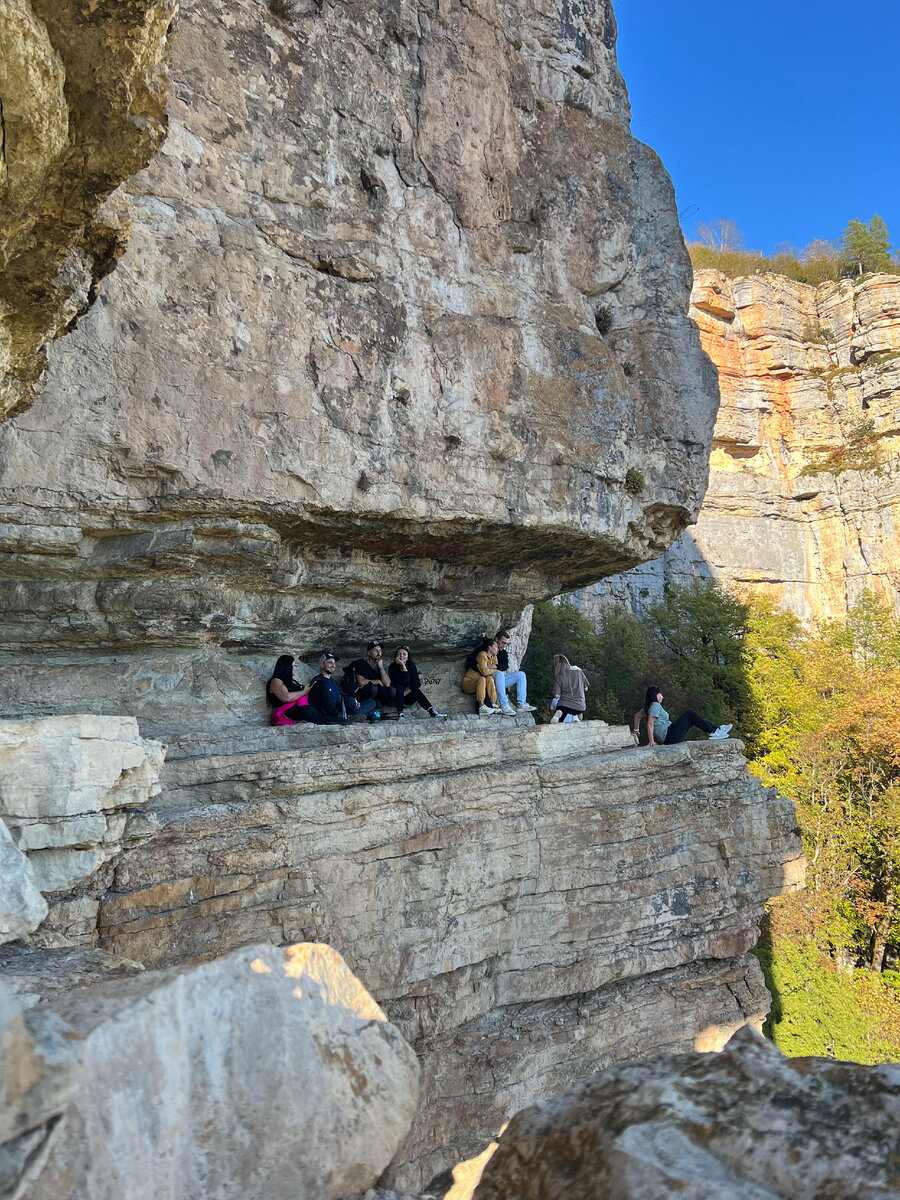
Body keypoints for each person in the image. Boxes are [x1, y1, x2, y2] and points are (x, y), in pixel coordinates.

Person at [632, 686, 733, 747]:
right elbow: (650, 723)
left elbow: (637, 716)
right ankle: (715, 731)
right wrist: (651, 742)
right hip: (669, 735)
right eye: (660, 694)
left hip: (669, 735)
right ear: (654, 694)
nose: (662, 697)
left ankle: (716, 730)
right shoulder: (655, 705)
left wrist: (636, 730)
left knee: (692, 717)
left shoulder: (648, 707)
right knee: (689, 713)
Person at [309, 651, 374, 723]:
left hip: (341, 705)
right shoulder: (318, 681)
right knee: (350, 702)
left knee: (371, 702)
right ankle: (357, 715)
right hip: (330, 709)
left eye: (334, 663)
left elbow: (342, 695)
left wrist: (355, 702)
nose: (333, 665)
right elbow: (317, 702)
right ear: (322, 665)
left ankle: (352, 715)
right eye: (330, 662)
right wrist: (351, 702)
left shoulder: (334, 681)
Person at [388, 646, 446, 719]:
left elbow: (417, 683)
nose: (401, 656)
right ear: (396, 656)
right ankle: (400, 714)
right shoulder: (392, 667)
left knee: (416, 690)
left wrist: (405, 693)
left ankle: (432, 711)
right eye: (399, 654)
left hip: (406, 697)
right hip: (395, 697)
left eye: (404, 654)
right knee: (399, 686)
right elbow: (402, 681)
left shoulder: (411, 665)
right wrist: (402, 665)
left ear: (408, 657)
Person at [266, 654, 325, 726]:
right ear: (287, 666)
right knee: (309, 711)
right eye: (294, 665)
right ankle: (329, 718)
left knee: (320, 684)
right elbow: (287, 698)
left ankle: (332, 714)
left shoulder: (291, 681)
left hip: (302, 706)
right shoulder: (276, 680)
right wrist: (304, 692)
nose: (295, 668)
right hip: (289, 711)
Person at [350, 641, 402, 719]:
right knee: (373, 687)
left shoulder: (382, 667)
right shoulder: (362, 664)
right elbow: (361, 683)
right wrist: (376, 681)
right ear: (369, 653)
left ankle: (377, 707)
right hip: (363, 694)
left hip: (378, 696)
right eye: (375, 650)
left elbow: (387, 684)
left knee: (392, 690)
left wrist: (380, 667)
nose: (379, 653)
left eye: (380, 651)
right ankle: (370, 708)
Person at [494, 630, 537, 715]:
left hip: (499, 678)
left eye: (506, 643)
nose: (504, 645)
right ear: (496, 640)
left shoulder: (502, 652)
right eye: (503, 642)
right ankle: (504, 705)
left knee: (521, 675)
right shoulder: (486, 647)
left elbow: (505, 666)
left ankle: (522, 704)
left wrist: (495, 666)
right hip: (488, 677)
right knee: (499, 674)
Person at [461, 638, 501, 715]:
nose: (498, 649)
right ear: (489, 647)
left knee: (489, 678)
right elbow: (485, 672)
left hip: (480, 682)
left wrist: (494, 668)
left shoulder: (494, 657)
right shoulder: (482, 654)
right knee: (482, 678)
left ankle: (493, 704)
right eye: (496, 646)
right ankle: (481, 707)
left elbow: (492, 672)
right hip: (468, 682)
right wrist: (496, 669)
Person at [550, 654, 588, 723]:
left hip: (563, 704)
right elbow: (586, 688)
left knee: (560, 716)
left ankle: (558, 716)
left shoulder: (559, 676)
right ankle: (574, 717)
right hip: (579, 706)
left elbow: (557, 696)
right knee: (574, 710)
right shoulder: (578, 671)